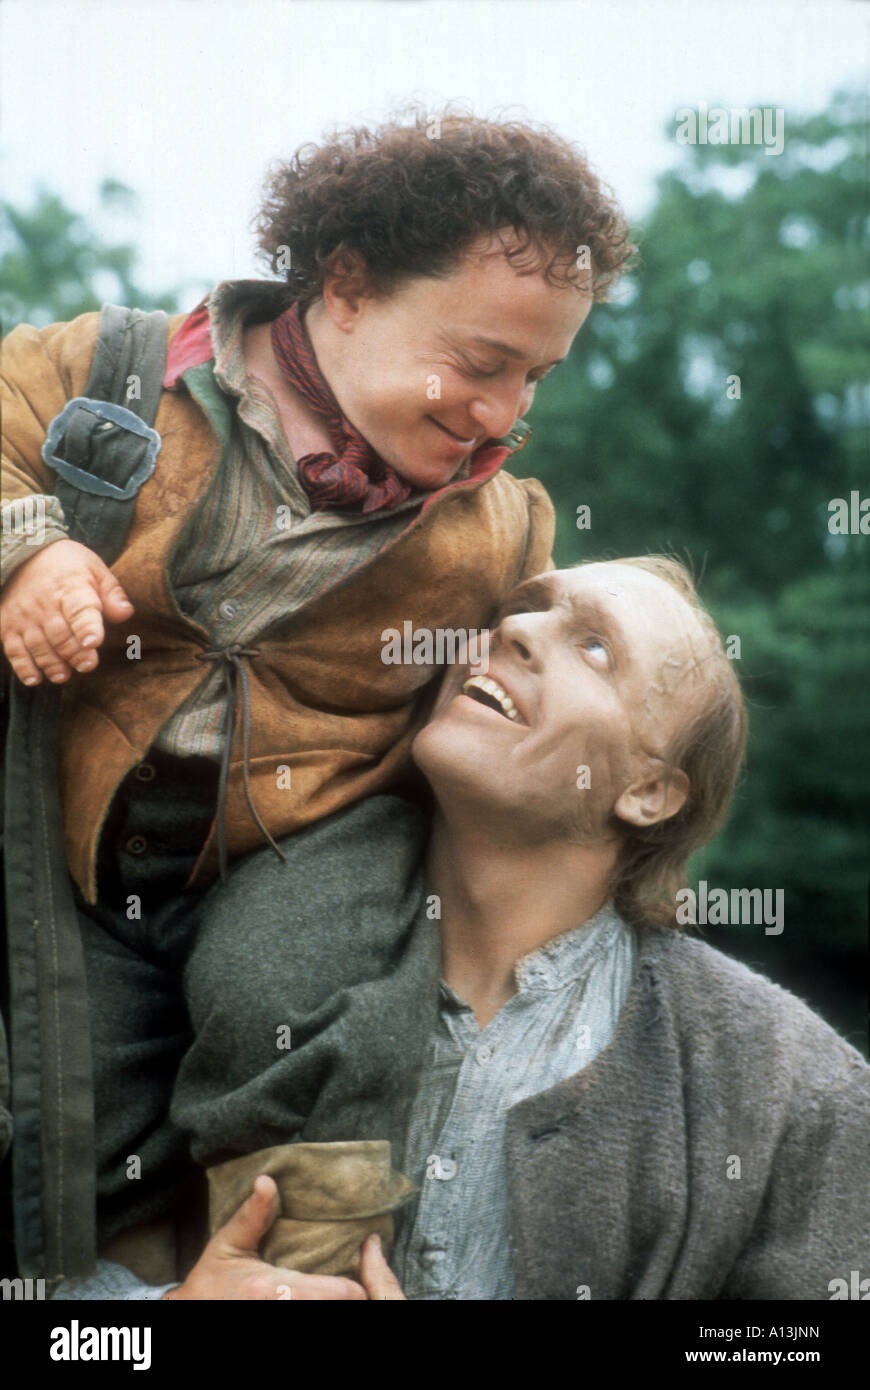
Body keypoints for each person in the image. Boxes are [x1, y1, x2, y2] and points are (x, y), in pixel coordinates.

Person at [0, 108, 636, 1276]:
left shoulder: (501, 525)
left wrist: (632, 822)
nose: (503, 412)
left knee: (316, 1003)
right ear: (345, 285)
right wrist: (29, 549)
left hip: (300, 834)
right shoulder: (116, 373)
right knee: (58, 1088)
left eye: (535, 377)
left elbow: (564, 682)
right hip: (67, 824)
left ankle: (309, 1265)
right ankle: (109, 1296)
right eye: (483, 361)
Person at [52, 558, 870, 1300]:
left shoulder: (793, 1093)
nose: (512, 628)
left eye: (594, 649)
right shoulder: (200, 944)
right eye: (525, 606)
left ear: (650, 791)